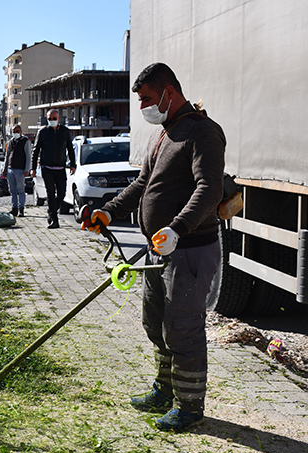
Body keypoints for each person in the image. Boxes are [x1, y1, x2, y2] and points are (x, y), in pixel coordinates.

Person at [82, 62, 226, 432]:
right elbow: (143, 185)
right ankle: (164, 391)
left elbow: (207, 189)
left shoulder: (203, 132)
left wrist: (177, 228)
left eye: (147, 98)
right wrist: (108, 212)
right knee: (156, 323)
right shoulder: (163, 134)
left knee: (183, 327)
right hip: (159, 249)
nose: (143, 106)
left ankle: (190, 405)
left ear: (168, 93)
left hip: (190, 248)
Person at [30, 109, 76, 229]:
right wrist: (33, 168)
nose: (51, 121)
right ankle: (54, 221)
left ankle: (51, 212)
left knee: (62, 194)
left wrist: (73, 164)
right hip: (47, 167)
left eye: (54, 119)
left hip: (60, 167)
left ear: (59, 118)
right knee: (50, 193)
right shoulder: (43, 132)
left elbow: (70, 149)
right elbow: (35, 151)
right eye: (49, 119)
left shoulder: (65, 132)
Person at [3, 125, 32, 217]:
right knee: (12, 190)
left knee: (21, 190)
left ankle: (21, 209)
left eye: (17, 131)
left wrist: (27, 169)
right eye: (14, 131)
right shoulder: (11, 141)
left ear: (21, 131)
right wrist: (5, 168)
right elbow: (7, 156)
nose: (15, 133)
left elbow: (28, 156)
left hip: (20, 169)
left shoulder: (25, 141)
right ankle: (14, 208)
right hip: (10, 169)